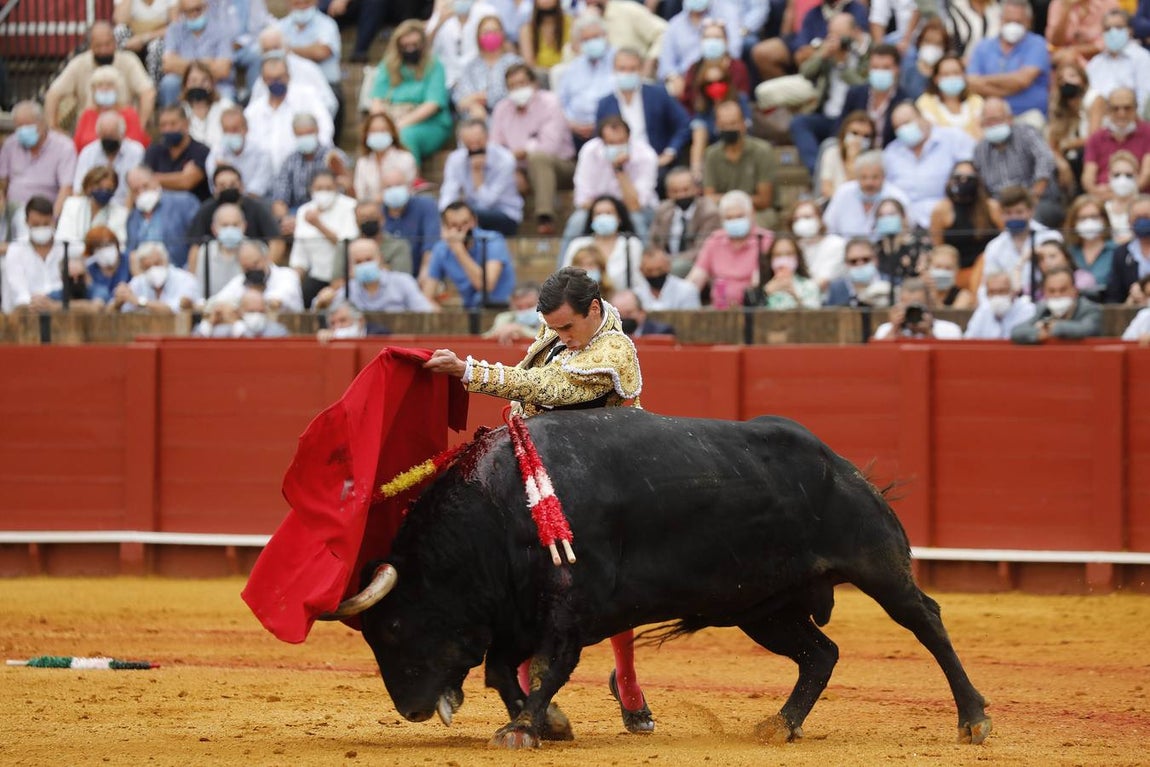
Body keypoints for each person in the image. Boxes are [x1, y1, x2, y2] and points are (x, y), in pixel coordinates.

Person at [421, 266, 653, 736]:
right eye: (553, 327)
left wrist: (469, 370)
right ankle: (526, 692)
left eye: (567, 327)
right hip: (546, 469)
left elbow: (551, 388)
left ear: (594, 309)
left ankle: (626, 677)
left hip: (607, 482)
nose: (559, 335)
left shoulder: (615, 350)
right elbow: (531, 382)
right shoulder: (557, 332)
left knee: (614, 586)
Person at [489, 63, 575, 236]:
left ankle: (545, 216)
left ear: (534, 83)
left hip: (562, 167)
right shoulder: (502, 109)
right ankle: (502, 225)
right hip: (520, 169)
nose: (518, 89)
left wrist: (515, 157)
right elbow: (494, 151)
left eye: (522, 83)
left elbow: (548, 147)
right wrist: (513, 168)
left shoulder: (551, 102)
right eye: (512, 86)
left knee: (538, 159)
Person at [789, 12, 870, 176]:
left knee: (834, 142)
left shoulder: (869, 53)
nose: (836, 40)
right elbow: (806, 73)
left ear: (855, 32)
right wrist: (821, 56)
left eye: (840, 35)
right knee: (799, 123)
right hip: (826, 114)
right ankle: (817, 170)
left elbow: (863, 87)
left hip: (850, 118)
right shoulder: (829, 52)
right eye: (831, 35)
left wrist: (842, 65)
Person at [44, 22, 156, 131]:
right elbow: (52, 94)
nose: (104, 50)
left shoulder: (128, 60)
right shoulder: (79, 63)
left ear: (115, 42)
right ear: (90, 46)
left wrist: (139, 127)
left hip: (124, 126)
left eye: (108, 44)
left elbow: (148, 92)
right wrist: (53, 128)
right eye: (98, 45)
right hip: (88, 128)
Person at [370, 19, 453, 166]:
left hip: (429, 124)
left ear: (423, 44)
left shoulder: (434, 65)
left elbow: (432, 104)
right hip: (391, 120)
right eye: (405, 46)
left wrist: (399, 124)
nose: (410, 49)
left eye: (415, 45)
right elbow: (377, 100)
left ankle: (410, 181)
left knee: (405, 135)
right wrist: (383, 125)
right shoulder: (388, 65)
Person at [598, 48, 692, 177]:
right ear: (614, 70)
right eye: (622, 69)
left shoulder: (658, 94)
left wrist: (670, 152)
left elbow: (684, 123)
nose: (627, 74)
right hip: (619, 166)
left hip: (657, 163)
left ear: (641, 70)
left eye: (632, 69)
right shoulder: (605, 104)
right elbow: (599, 139)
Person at [568, 115, 659, 246]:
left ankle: (647, 262)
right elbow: (582, 200)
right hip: (597, 208)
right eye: (611, 143)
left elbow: (635, 205)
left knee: (636, 220)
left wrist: (619, 169)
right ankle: (563, 266)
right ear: (602, 141)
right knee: (577, 220)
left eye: (621, 141)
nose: (617, 147)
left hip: (636, 210)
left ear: (629, 138)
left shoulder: (646, 155)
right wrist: (606, 210)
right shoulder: (589, 152)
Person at [883, 102, 977, 228]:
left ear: (922, 117)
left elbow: (970, 167)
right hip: (906, 224)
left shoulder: (953, 137)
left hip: (948, 218)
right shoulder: (891, 152)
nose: (903, 130)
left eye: (906, 123)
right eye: (897, 127)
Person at [965, 0, 1052, 126]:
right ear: (1000, 20)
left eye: (1018, 22)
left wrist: (984, 81)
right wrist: (1010, 85)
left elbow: (1022, 80)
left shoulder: (1037, 44)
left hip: (1027, 115)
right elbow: (971, 83)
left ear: (1028, 22)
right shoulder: (983, 47)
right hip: (990, 118)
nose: (1013, 25)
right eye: (1009, 21)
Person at [185, 165, 283, 273]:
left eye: (232, 184)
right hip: (215, 266)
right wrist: (193, 279)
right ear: (214, 189)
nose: (228, 188)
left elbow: (276, 241)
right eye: (222, 185)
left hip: (251, 264)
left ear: (241, 186)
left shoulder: (256, 208)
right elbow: (195, 247)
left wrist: (264, 268)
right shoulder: (206, 210)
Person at [973, 98, 1059, 221]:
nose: (992, 125)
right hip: (1000, 206)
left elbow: (1045, 159)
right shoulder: (980, 149)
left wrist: (1034, 195)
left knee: (1032, 215)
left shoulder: (1026, 133)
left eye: (996, 120)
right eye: (988, 122)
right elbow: (981, 185)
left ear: (1009, 118)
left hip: (1036, 200)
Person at [419, 201, 515, 309]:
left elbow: (485, 285)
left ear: (474, 221)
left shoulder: (492, 240)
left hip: (498, 308)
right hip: (471, 309)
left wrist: (459, 251)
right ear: (445, 227)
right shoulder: (441, 249)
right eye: (454, 225)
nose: (461, 230)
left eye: (465, 223)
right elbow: (427, 296)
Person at [438, 118, 524, 237]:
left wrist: (477, 175)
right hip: (470, 213)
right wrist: (445, 212)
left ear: (487, 137)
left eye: (478, 142)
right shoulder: (455, 159)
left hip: (504, 214)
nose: (474, 148)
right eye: (469, 143)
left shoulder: (505, 160)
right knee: (446, 216)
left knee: (466, 218)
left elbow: (487, 202)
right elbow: (449, 190)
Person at [245, 57, 336, 168]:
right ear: (263, 80)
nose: (276, 83)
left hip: (305, 168)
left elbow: (325, 130)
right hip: (266, 174)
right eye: (271, 79)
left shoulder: (308, 97)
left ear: (288, 76)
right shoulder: (254, 111)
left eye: (279, 78)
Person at [688, 190, 772, 308]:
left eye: (739, 216)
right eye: (729, 218)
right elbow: (696, 278)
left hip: (754, 308)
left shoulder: (766, 240)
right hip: (719, 309)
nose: (734, 221)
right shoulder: (715, 240)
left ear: (752, 214)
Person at [268, 113, 351, 230]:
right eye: (300, 134)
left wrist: (307, 220)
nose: (305, 137)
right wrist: (285, 219)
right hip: (295, 213)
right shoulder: (289, 161)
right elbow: (279, 200)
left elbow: (346, 191)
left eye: (308, 133)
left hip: (330, 212)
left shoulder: (334, 157)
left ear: (317, 131)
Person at [288, 169, 359, 307]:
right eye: (319, 188)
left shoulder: (350, 206)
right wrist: (291, 284)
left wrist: (319, 225)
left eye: (328, 188)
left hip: (344, 278)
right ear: (311, 190)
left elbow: (346, 245)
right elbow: (299, 256)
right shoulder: (304, 211)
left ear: (336, 189)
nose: (324, 192)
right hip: (317, 276)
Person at [703, 100, 778, 228]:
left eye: (733, 123)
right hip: (723, 213)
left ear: (743, 124)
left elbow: (764, 200)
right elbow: (709, 197)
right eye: (724, 125)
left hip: (757, 211)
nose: (729, 129)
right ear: (717, 126)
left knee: (756, 225)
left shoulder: (762, 151)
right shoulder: (712, 154)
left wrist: (730, 201)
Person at [929, 161, 1002, 288]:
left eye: (969, 178)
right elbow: (938, 248)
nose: (963, 181)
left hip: (988, 272)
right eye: (958, 177)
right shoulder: (941, 210)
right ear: (951, 180)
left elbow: (1005, 240)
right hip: (956, 274)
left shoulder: (991, 207)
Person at [314, 237, 434, 313]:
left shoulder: (403, 282)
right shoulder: (349, 288)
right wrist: (322, 301)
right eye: (358, 262)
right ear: (351, 267)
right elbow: (323, 308)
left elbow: (425, 312)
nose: (364, 265)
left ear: (380, 260)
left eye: (368, 259)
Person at [0, 100, 77, 215]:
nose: (23, 131)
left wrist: (52, 220)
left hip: (46, 211)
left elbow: (66, 188)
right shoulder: (11, 144)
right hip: (13, 211)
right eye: (19, 126)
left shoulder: (64, 147)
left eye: (28, 125)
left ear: (42, 123)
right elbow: (2, 184)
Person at [557, 14, 619, 149]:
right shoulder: (574, 67)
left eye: (596, 37)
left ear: (605, 36)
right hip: (575, 132)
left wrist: (598, 124)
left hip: (611, 130)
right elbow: (561, 102)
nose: (592, 43)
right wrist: (572, 124)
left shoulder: (619, 60)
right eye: (586, 39)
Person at [647, 167, 721, 278]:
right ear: (668, 193)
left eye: (686, 190)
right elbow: (653, 241)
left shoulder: (709, 212)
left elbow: (702, 250)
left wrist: (668, 260)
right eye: (675, 191)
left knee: (676, 268)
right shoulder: (663, 210)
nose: (681, 195)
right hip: (665, 260)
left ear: (696, 189)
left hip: (696, 264)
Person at [160, 0, 235, 107]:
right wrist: (207, 64)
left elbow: (223, 70)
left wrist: (182, 64)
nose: (194, 14)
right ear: (182, 13)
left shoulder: (221, 29)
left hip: (216, 83)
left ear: (206, 7)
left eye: (197, 9)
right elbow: (168, 64)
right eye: (188, 11)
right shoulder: (174, 30)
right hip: (184, 82)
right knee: (169, 83)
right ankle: (172, 119)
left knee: (228, 100)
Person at [250, 26, 339, 117]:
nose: (272, 53)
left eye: (275, 48)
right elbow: (253, 113)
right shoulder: (262, 80)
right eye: (267, 50)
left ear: (286, 47)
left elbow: (329, 104)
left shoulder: (308, 69)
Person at [561, 195, 644, 291]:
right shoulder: (577, 244)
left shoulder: (631, 244)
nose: (603, 217)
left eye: (609, 213)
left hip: (622, 302)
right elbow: (565, 280)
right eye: (598, 214)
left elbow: (639, 282)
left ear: (619, 218)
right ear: (592, 219)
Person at [822, 150, 911, 238]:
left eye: (875, 177)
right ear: (856, 177)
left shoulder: (897, 197)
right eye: (864, 177)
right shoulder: (843, 193)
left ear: (884, 176)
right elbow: (828, 228)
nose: (869, 183)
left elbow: (908, 230)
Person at [1, 196, 68, 312]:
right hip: (24, 314)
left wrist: (53, 305)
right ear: (26, 222)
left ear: (53, 220)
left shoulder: (65, 248)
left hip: (59, 311)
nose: (41, 228)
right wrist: (39, 304)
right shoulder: (16, 250)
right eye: (36, 225)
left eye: (46, 224)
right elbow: (18, 292)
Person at [124, 165, 199, 268]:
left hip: (179, 271)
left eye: (145, 186)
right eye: (136, 190)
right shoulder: (133, 218)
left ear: (155, 180)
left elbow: (198, 244)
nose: (141, 193)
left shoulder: (184, 203)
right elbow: (131, 252)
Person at [656, 0, 742, 89]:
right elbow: (665, 65)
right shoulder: (674, 25)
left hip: (721, 74)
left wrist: (718, 67)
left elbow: (734, 50)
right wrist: (674, 78)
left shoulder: (725, 12)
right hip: (685, 81)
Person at [453, 15, 523, 122]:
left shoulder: (515, 63)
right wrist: (473, 105)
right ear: (478, 36)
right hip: (476, 120)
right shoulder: (470, 66)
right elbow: (460, 99)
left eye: (495, 31)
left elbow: (519, 94)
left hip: (510, 119)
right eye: (486, 32)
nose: (491, 35)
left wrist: (483, 97)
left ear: (502, 34)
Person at [1082, 89, 1150, 199]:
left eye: (1127, 108)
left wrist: (1123, 193)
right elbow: (1088, 178)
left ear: (1135, 109)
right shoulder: (1096, 138)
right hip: (1103, 198)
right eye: (1115, 109)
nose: (1121, 113)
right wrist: (1100, 193)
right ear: (1108, 111)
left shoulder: (1148, 133)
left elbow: (1147, 175)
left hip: (1139, 199)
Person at [1048, 61, 1101, 197]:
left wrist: (1067, 144)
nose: (1066, 81)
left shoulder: (1094, 99)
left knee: (1079, 156)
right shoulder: (1059, 105)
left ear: (1083, 80)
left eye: (1072, 76)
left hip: (1093, 152)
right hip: (1068, 156)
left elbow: (1093, 138)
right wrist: (1061, 163)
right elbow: (1052, 144)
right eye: (1061, 78)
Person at [981, 185, 1049, 290]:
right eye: (1008, 213)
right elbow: (987, 285)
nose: (1014, 217)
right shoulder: (994, 247)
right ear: (1001, 214)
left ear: (1031, 211)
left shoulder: (1049, 237)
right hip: (1008, 302)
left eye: (1019, 212)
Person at [679, 16, 752, 114]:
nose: (712, 42)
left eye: (717, 38)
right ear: (701, 41)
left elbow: (742, 98)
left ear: (726, 41)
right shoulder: (694, 68)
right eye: (707, 38)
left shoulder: (738, 68)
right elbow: (687, 102)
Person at [1010, 266, 1102, 343]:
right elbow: (1017, 331)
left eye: (1063, 290)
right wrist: (1038, 333)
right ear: (1044, 293)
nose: (1057, 295)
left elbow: (1086, 329)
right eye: (1051, 291)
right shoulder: (1043, 308)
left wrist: (1051, 327)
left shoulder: (1090, 309)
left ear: (1075, 290)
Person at [208, 239, 305, 312]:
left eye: (255, 264)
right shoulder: (240, 281)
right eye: (247, 268)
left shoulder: (287, 275)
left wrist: (241, 304)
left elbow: (276, 301)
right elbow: (217, 302)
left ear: (266, 258)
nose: (253, 270)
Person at [70, 66, 151, 152]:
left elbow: (136, 145)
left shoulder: (129, 114)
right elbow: (76, 146)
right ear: (93, 90)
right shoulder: (87, 114)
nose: (105, 88)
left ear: (118, 89)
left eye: (110, 84)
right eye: (100, 85)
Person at [72, 112, 145, 206]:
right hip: (93, 206)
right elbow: (79, 189)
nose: (108, 141)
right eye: (105, 136)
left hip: (127, 206)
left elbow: (138, 188)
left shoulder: (136, 151)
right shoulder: (88, 153)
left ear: (122, 134)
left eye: (112, 136)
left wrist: (125, 214)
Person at [1085, 10, 1150, 112]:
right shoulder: (1095, 63)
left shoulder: (1142, 58)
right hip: (1100, 120)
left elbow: (1145, 99)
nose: (1113, 32)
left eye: (1119, 27)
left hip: (1132, 119)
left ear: (1130, 30)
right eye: (1108, 29)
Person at [144, 104, 212, 201]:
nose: (168, 129)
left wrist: (154, 178)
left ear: (186, 124)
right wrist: (178, 177)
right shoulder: (154, 151)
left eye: (173, 124)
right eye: (163, 125)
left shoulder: (201, 151)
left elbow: (186, 182)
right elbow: (142, 181)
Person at [113, 240, 201, 313]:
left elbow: (174, 309)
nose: (153, 269)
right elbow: (114, 308)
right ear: (141, 269)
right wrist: (118, 303)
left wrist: (140, 302)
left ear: (166, 260)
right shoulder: (139, 281)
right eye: (147, 267)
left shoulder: (185, 279)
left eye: (157, 263)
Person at [380, 169, 440, 276]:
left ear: (409, 186)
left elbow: (431, 244)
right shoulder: (378, 213)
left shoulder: (426, 205)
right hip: (387, 277)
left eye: (398, 185)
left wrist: (426, 270)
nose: (394, 190)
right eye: (388, 187)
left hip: (420, 272)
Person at [206, 107, 275, 199]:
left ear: (246, 129)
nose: (230, 134)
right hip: (224, 202)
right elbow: (215, 190)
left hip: (256, 203)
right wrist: (220, 172)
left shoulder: (261, 154)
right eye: (226, 130)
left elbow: (256, 191)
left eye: (234, 130)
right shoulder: (216, 154)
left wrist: (230, 172)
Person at [353, 111, 418, 204]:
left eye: (383, 130)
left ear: (392, 133)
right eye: (374, 131)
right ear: (366, 134)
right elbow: (360, 195)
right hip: (371, 212)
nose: (378, 134)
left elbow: (409, 190)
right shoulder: (363, 163)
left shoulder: (405, 158)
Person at [916, 54, 985, 140]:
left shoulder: (976, 101)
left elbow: (981, 135)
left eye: (956, 73)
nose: (952, 78)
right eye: (946, 74)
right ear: (936, 79)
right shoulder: (925, 103)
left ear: (964, 75)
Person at [58, 165, 130, 247]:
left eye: (109, 189)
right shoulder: (72, 204)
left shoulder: (121, 213)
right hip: (72, 257)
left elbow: (119, 245)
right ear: (89, 187)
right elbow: (63, 238)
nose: (104, 192)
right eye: (100, 188)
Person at [872, 277, 964, 340]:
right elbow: (881, 358)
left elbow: (949, 360)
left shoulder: (949, 330)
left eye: (918, 305)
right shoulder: (885, 329)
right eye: (908, 307)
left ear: (929, 304)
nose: (913, 311)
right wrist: (895, 329)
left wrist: (928, 333)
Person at [745, 234, 821, 310]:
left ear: (797, 257)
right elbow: (750, 315)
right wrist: (765, 294)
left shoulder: (809, 286)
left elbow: (816, 317)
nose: (783, 259)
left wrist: (795, 296)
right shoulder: (760, 285)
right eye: (778, 255)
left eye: (789, 254)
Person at [192, 202, 247, 300]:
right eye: (225, 225)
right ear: (214, 228)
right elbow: (199, 292)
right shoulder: (205, 251)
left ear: (244, 226)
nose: (230, 229)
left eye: (235, 225)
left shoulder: (257, 248)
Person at [963, 268, 1036, 338]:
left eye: (1001, 291)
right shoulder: (983, 310)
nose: (997, 296)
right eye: (992, 292)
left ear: (1013, 291)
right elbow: (969, 339)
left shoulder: (1028, 311)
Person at [1064, 196, 1117, 292]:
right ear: (1073, 222)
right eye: (1082, 218)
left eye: (1094, 217)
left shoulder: (1117, 251)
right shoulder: (1068, 252)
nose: (1089, 222)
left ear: (1104, 219)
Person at [1104, 194, 1150, 302]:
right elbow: (1113, 295)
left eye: (1146, 217)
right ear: (1129, 221)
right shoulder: (1121, 253)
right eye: (1137, 218)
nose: (1142, 222)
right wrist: (1130, 299)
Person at [824, 236, 894, 307]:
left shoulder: (892, 283)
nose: (860, 265)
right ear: (846, 263)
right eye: (853, 261)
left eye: (866, 259)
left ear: (875, 260)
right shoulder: (836, 288)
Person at [181, 61, 233, 150]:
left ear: (212, 83)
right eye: (193, 81)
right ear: (185, 85)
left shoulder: (226, 107)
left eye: (204, 80)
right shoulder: (180, 111)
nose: (199, 85)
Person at [633, 245, 700, 310]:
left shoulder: (687, 290)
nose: (655, 274)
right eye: (649, 271)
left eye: (659, 270)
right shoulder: (636, 294)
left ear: (668, 266)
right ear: (641, 270)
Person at [898, 17, 950, 101]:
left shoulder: (947, 73)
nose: (932, 47)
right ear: (919, 43)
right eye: (927, 41)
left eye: (938, 44)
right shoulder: (907, 69)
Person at [81, 225, 132, 308]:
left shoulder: (129, 260)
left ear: (116, 244)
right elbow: (95, 296)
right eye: (99, 247)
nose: (104, 250)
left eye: (108, 245)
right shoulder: (90, 270)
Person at [518, 0, 570, 70]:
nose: (546, 1)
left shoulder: (570, 23)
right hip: (540, 75)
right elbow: (529, 63)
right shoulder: (527, 30)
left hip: (566, 71)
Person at [1104, 150, 1140, 243]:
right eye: (1117, 175)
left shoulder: (1146, 209)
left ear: (1136, 176)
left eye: (1128, 175)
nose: (1122, 179)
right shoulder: (1103, 209)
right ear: (1109, 176)